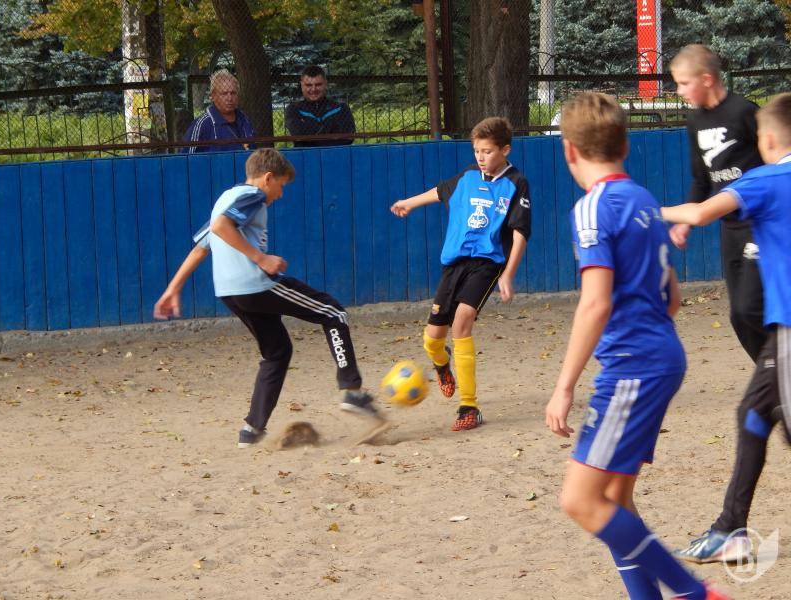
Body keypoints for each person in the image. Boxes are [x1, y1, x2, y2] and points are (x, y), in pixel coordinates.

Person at [545, 92, 727, 600]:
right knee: (614, 499)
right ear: (625, 146)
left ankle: (694, 593)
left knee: (581, 501)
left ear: (569, 150)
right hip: (663, 356)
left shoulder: (591, 209)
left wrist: (564, 387)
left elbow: (595, 303)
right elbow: (673, 299)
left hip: (632, 367)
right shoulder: (644, 200)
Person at [153, 148, 386, 447]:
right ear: (267, 178)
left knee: (277, 352)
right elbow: (221, 227)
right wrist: (260, 258)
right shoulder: (253, 195)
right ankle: (353, 393)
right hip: (255, 284)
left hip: (229, 293)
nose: (280, 194)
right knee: (333, 313)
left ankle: (251, 431)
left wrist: (173, 288)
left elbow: (202, 246)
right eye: (281, 185)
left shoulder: (226, 198)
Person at [662, 93, 791, 565]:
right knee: (753, 414)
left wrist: (646, 211)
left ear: (768, 139)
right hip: (781, 336)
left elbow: (699, 213)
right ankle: (730, 529)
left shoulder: (766, 179)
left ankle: (729, 530)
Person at [390, 117, 530, 431]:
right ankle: (442, 364)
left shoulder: (516, 182)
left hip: (488, 263)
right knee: (432, 340)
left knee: (462, 321)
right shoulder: (468, 176)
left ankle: (469, 407)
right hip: (454, 264)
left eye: (487, 151)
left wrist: (508, 274)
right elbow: (441, 191)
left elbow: (520, 232)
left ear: (505, 150)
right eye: (477, 150)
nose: (481, 157)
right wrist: (409, 203)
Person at [670, 45, 766, 362]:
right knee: (739, 317)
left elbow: (775, 156)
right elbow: (702, 180)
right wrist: (684, 222)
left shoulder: (744, 111)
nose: (679, 90)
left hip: (759, 224)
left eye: (684, 83)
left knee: (750, 308)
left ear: (707, 79)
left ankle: (778, 372)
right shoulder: (694, 121)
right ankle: (772, 374)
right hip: (730, 227)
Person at [182, 70, 255, 154]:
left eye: (233, 93)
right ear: (213, 96)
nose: (229, 98)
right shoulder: (203, 124)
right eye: (224, 93)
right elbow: (186, 158)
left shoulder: (244, 120)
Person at [284, 65, 356, 148]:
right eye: (308, 85)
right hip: (305, 156)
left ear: (325, 84)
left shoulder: (341, 108)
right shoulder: (293, 109)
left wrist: (310, 135)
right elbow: (298, 135)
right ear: (302, 85)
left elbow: (348, 138)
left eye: (318, 85)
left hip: (337, 155)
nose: (313, 89)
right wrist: (331, 133)